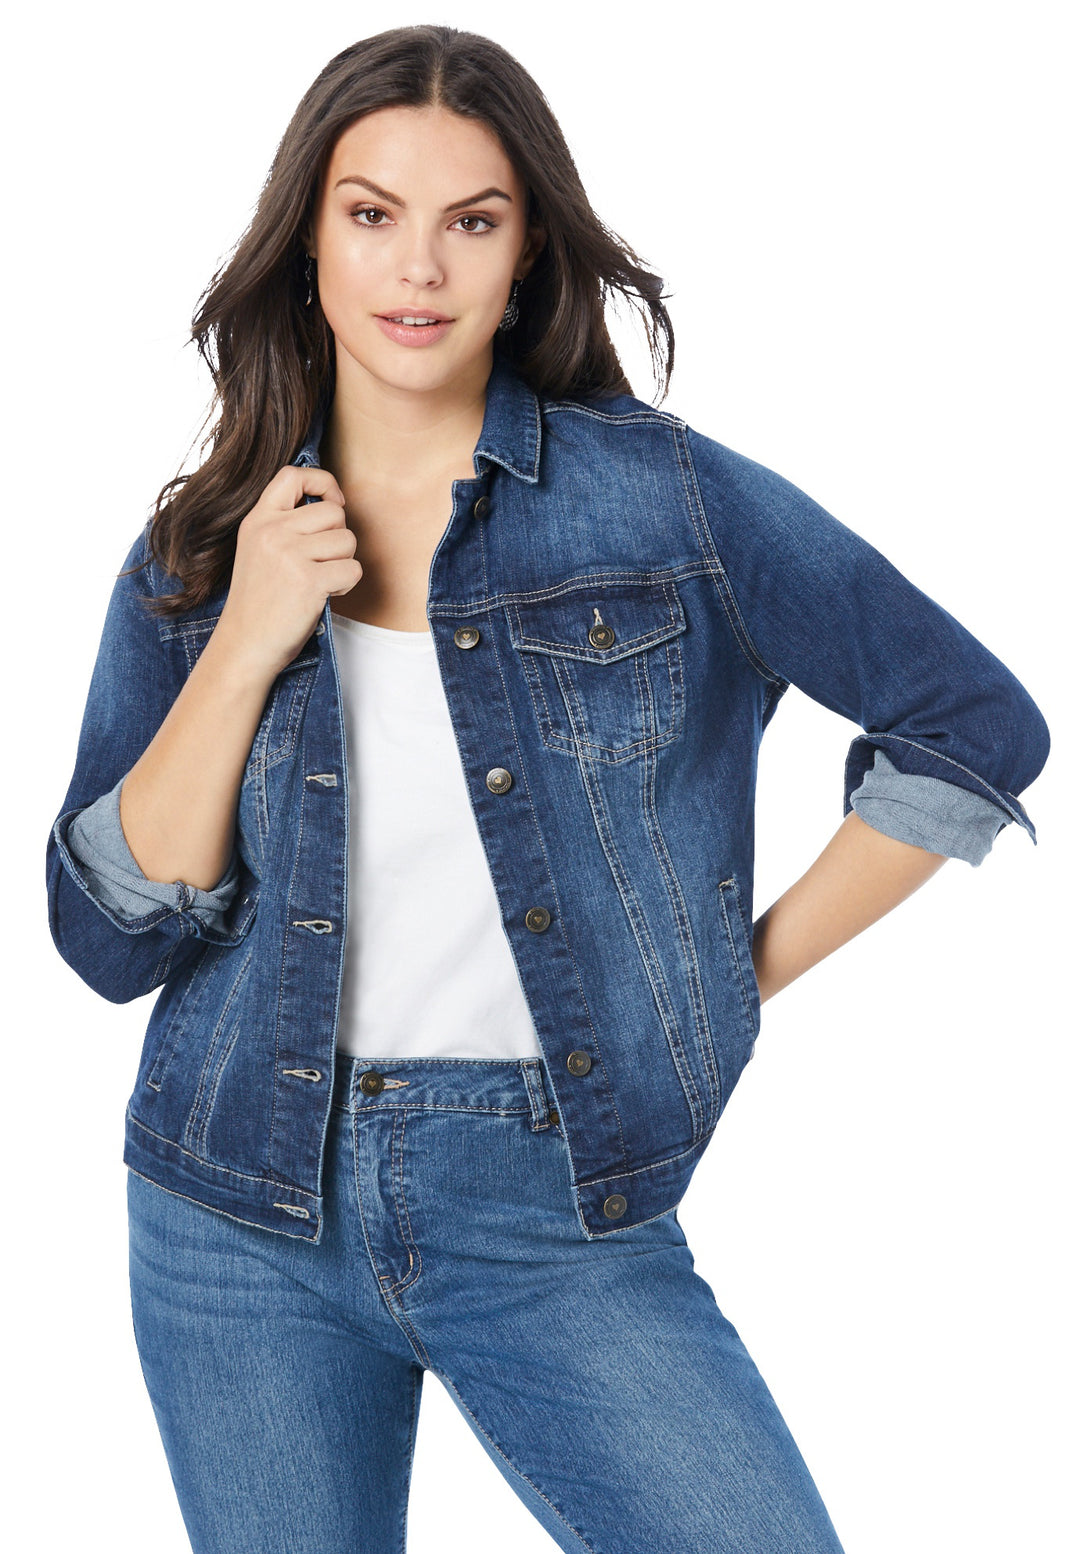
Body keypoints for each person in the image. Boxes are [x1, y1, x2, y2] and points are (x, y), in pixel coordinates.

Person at [45, 24, 1050, 1554]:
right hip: (232, 1195)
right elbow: (110, 939)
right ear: (308, 240)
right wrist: (248, 636)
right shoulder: (208, 545)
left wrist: (730, 974)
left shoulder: (668, 503)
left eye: (473, 219)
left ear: (526, 255)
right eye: (372, 213)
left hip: (549, 1196)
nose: (418, 267)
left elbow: (970, 719)